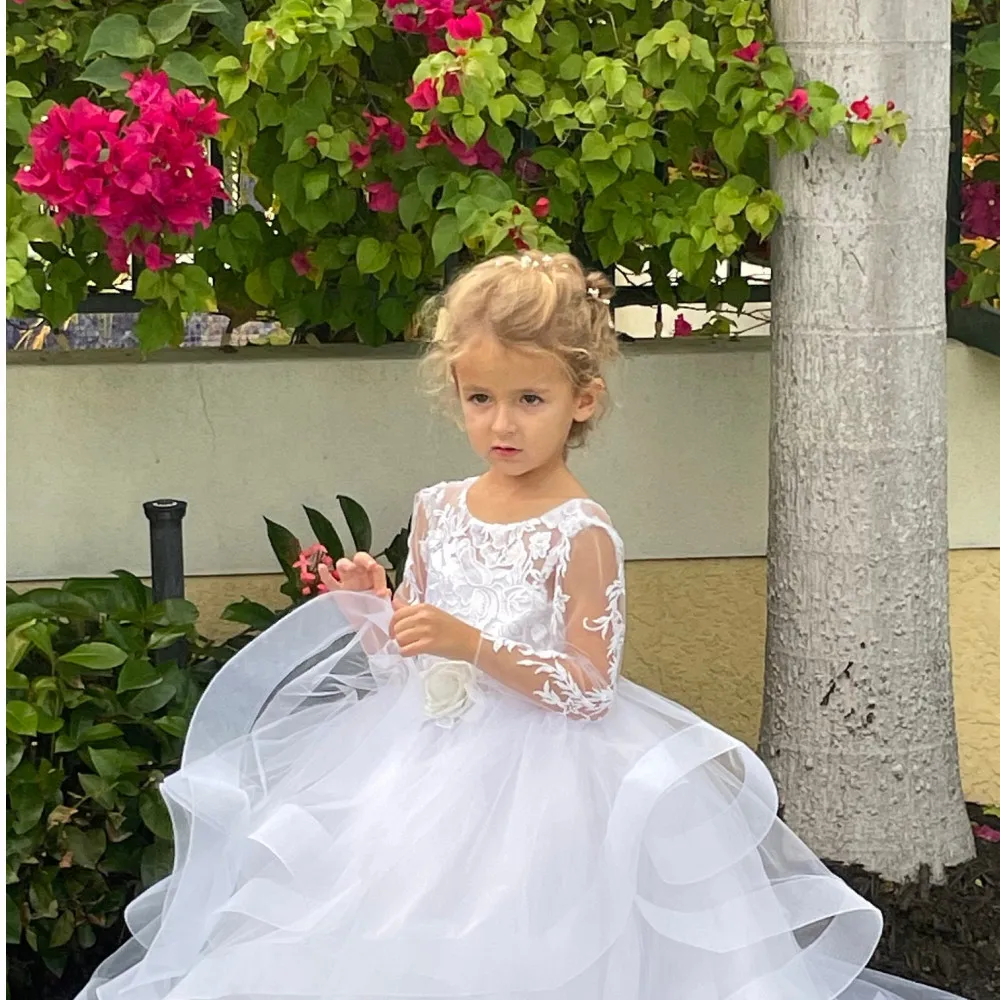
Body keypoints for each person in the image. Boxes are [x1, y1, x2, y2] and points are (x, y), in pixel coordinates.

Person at [78, 251, 965, 1000]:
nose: (501, 424)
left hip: (546, 794)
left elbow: (587, 687)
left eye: (528, 401)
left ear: (581, 399)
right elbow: (406, 662)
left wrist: (473, 644)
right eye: (479, 399)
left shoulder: (582, 532)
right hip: (414, 769)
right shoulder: (438, 508)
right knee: (390, 932)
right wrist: (373, 604)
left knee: (526, 949)